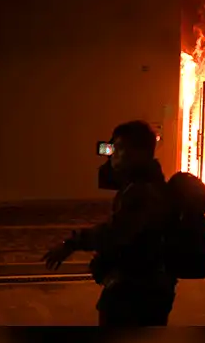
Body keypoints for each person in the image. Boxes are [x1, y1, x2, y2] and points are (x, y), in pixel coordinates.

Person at [43, 120, 179, 327]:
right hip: (145, 288)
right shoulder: (144, 183)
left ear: (139, 153)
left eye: (119, 148)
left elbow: (115, 233)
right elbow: (108, 180)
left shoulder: (142, 192)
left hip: (135, 292)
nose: (113, 154)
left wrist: (71, 243)